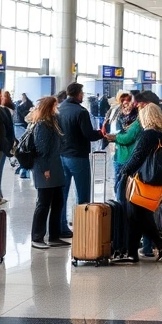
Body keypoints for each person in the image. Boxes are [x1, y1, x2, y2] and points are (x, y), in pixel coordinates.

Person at [119, 103, 162, 263]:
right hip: (155, 179)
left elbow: (138, 156)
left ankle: (159, 243)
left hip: (143, 180)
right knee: (137, 215)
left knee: (135, 215)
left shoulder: (148, 135)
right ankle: (132, 253)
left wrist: (125, 171)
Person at [56, 82, 109, 238]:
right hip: (78, 157)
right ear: (78, 94)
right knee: (83, 194)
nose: (83, 95)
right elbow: (88, 135)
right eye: (82, 93)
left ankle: (61, 226)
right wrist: (101, 133)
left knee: (62, 194)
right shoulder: (81, 111)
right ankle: (82, 225)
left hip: (61, 156)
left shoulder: (59, 109)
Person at [27, 97, 67, 250]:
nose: (57, 107)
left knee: (58, 202)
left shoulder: (53, 122)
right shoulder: (43, 125)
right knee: (43, 203)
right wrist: (45, 170)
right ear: (49, 106)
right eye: (55, 105)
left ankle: (54, 236)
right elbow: (41, 149)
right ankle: (37, 237)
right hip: (45, 169)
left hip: (55, 167)